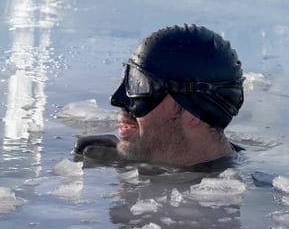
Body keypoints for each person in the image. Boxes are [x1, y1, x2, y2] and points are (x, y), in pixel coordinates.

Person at [74, 24, 245, 171]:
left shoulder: (237, 197)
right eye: (130, 80)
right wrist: (131, 156)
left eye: (140, 86)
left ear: (193, 112)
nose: (118, 99)